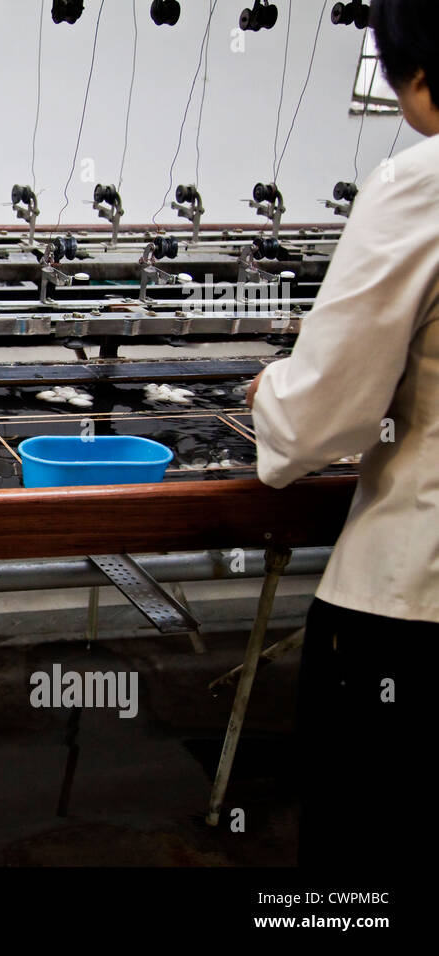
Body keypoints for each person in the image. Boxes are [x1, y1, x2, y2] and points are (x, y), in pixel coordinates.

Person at [246, 0, 438, 869]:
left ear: (422, 79)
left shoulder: (419, 184)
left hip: (413, 599)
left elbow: (327, 416)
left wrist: (271, 397)